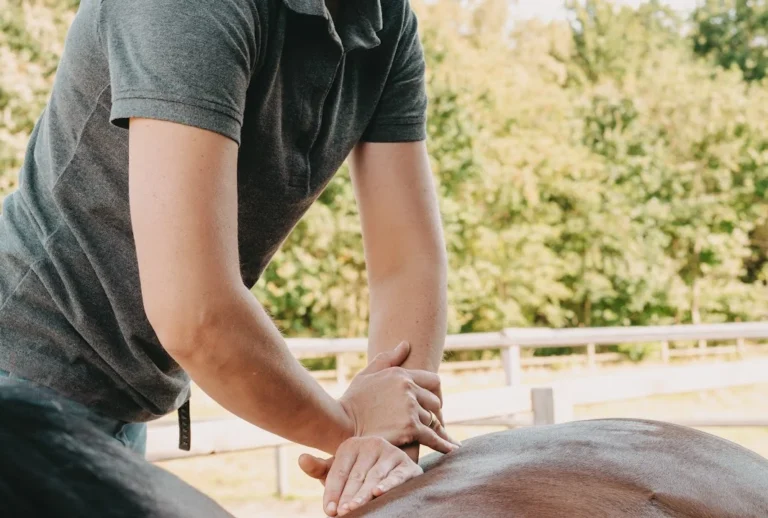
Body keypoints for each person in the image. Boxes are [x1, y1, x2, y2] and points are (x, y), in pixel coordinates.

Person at [0, 0, 458, 512]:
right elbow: (195, 314)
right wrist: (353, 429)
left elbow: (407, 266)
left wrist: (391, 439)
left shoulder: (385, 20)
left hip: (118, 403)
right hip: (18, 380)